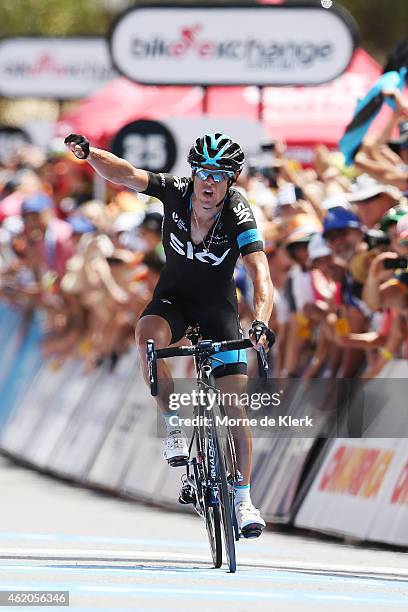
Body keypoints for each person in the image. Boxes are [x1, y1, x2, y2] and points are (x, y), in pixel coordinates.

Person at [64, 132, 274, 537]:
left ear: (232, 181)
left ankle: (244, 499)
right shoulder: (176, 191)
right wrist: (90, 155)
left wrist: (261, 320)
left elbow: (260, 272)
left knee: (233, 405)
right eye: (204, 173)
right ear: (194, 173)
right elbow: (124, 174)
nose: (210, 183)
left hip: (217, 309)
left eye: (221, 175)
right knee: (148, 336)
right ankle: (174, 426)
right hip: (173, 302)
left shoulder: (238, 212)